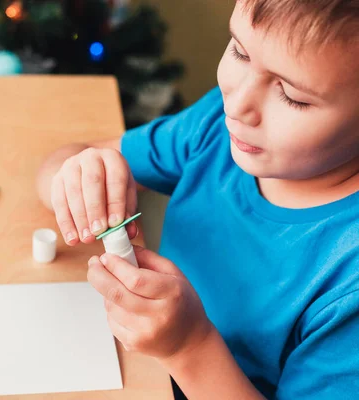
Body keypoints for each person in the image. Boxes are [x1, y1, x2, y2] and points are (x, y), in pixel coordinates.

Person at [35, 1, 359, 398]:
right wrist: (78, 178)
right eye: (240, 51)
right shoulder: (215, 130)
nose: (238, 105)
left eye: (292, 96)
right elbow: (58, 161)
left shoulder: (349, 285)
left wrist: (188, 347)